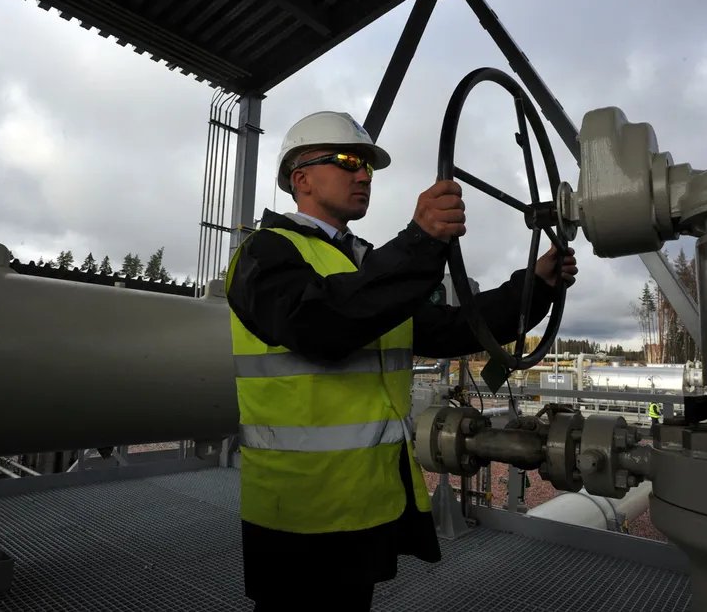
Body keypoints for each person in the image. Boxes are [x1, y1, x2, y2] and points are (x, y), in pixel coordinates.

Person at [224, 110, 579, 611]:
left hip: (366, 501)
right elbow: (321, 325)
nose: (364, 175)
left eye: (368, 166)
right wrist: (418, 242)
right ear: (300, 178)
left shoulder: (365, 263)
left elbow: (450, 327)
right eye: (348, 160)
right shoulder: (263, 255)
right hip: (298, 511)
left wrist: (534, 288)